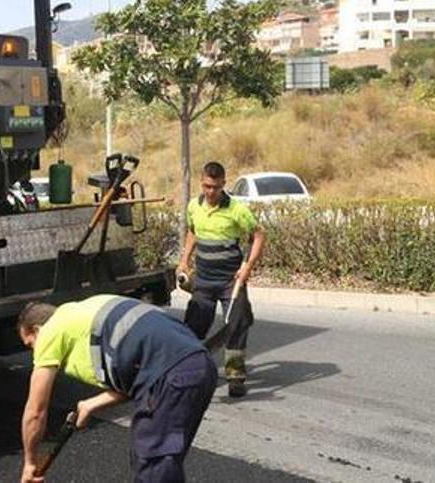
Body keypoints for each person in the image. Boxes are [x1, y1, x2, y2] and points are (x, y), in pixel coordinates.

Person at [18, 296, 216, 483]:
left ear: (36, 330)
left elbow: (35, 412)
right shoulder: (85, 310)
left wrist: (30, 463)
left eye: (31, 345)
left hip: (172, 373)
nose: (35, 352)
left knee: (153, 464)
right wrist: (92, 404)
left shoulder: (51, 330)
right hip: (200, 365)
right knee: (160, 461)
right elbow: (136, 373)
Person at [176, 161, 265, 398]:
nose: (210, 192)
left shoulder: (237, 209)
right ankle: (191, 372)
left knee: (236, 325)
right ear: (202, 182)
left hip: (230, 282)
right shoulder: (194, 206)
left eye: (215, 187)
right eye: (206, 186)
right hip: (203, 280)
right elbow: (192, 232)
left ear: (223, 184)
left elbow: (258, 235)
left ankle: (235, 378)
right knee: (194, 328)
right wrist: (185, 259)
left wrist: (247, 267)